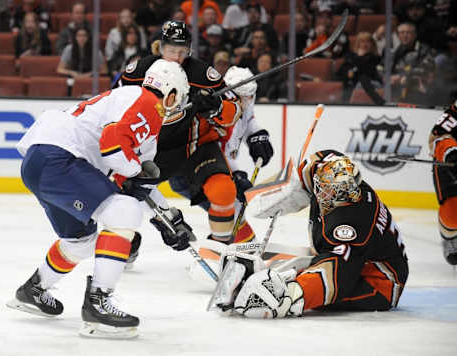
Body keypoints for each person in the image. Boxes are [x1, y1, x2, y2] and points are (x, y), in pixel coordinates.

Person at [6, 59, 192, 339]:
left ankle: (34, 290)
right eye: (179, 100)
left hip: (40, 161)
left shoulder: (133, 103)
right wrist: (136, 172)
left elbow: (133, 179)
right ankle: (98, 304)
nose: (177, 107)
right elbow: (114, 147)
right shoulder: (148, 103)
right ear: (171, 93)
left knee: (81, 240)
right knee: (125, 212)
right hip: (61, 158)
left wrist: (167, 218)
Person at [209, 150, 408, 318]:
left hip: (380, 281)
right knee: (301, 266)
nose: (330, 199)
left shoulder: (350, 223)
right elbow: (311, 164)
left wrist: (292, 295)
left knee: (310, 287)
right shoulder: (329, 166)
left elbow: (338, 275)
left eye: (340, 195)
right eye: (326, 191)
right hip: (358, 257)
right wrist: (275, 191)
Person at [113, 21, 243, 263]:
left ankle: (222, 254)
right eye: (172, 50)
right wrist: (165, 219)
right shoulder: (139, 71)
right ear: (160, 48)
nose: (177, 56)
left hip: (195, 145)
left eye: (183, 51)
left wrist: (216, 107)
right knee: (120, 195)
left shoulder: (203, 74)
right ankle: (125, 241)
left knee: (224, 191)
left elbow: (235, 111)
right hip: (154, 150)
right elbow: (114, 104)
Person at [167, 66, 274, 252]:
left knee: (232, 210)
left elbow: (248, 120)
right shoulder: (214, 111)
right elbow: (214, 150)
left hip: (213, 169)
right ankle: (231, 251)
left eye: (250, 96)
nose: (246, 102)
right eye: (241, 97)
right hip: (190, 172)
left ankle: (226, 250)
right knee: (232, 208)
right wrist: (237, 175)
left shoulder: (243, 101)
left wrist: (257, 136)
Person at [428, 97, 457, 265]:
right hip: (450, 166)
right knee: (452, 216)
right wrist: (452, 154)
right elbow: (435, 141)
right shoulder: (453, 117)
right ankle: (449, 234)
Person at [335, 31, 382, 103]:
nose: (365, 44)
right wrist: (348, 73)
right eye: (362, 41)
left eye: (367, 42)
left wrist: (361, 57)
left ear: (372, 44)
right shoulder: (350, 56)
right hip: (348, 88)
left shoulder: (375, 58)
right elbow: (340, 73)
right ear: (358, 43)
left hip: (367, 89)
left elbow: (368, 72)